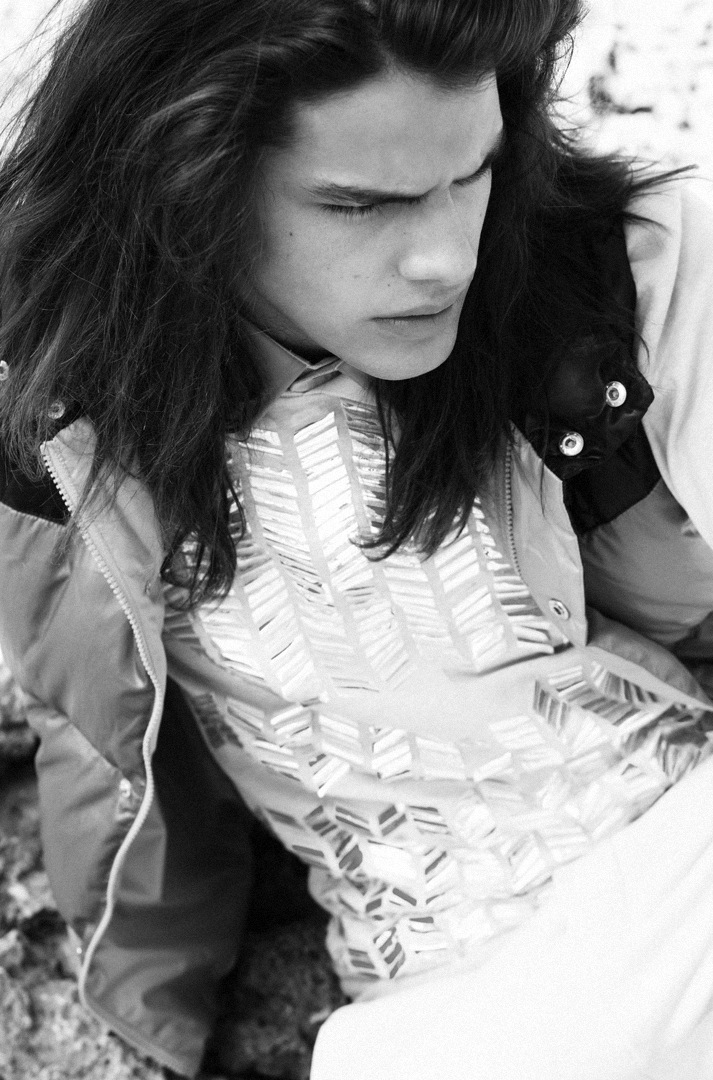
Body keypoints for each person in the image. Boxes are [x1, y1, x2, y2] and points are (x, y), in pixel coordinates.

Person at [1, 0, 713, 1077]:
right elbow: (88, 724)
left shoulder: (627, 266)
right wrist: (148, 1016)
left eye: (471, 174)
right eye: (359, 204)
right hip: (442, 1000)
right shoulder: (58, 412)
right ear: (186, 179)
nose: (443, 258)